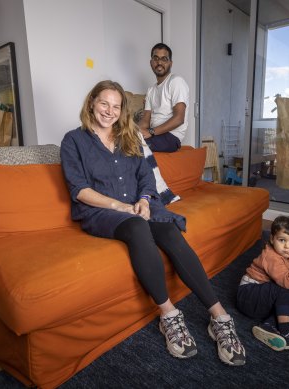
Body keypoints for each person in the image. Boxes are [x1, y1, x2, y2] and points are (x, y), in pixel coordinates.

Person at [60, 80, 245, 366]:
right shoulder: (74, 140)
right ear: (91, 103)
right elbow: (79, 189)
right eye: (104, 103)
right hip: (101, 212)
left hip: (138, 205)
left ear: (122, 111)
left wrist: (145, 200)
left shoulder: (129, 136)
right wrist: (121, 207)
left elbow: (146, 177)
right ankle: (169, 315)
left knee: (169, 231)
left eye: (116, 106)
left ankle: (219, 316)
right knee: (136, 227)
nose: (109, 111)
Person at [236, 215, 289, 351]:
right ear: (272, 239)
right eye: (282, 240)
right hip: (249, 296)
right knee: (283, 289)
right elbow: (286, 282)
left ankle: (268, 327)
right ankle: (287, 333)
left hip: (261, 297)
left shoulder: (286, 251)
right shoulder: (272, 257)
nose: (287, 246)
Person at [138, 43, 189, 152]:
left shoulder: (176, 81)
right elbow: (145, 121)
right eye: (156, 58)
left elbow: (179, 118)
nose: (159, 62)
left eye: (164, 59)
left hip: (171, 137)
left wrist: (151, 132)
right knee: (124, 140)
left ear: (170, 63)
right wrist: (133, 131)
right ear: (151, 63)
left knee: (134, 147)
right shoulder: (151, 90)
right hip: (155, 134)